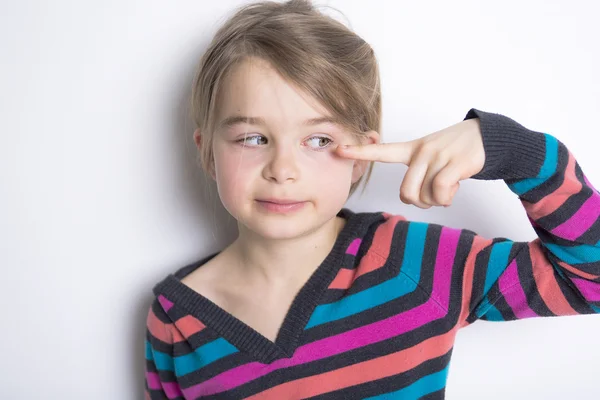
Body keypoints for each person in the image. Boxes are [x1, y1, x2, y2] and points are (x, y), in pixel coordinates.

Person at [144, 1, 600, 398]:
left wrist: (511, 151)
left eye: (318, 140)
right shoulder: (176, 317)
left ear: (361, 157)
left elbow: (591, 280)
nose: (282, 169)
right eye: (252, 137)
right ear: (206, 151)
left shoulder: (414, 264)